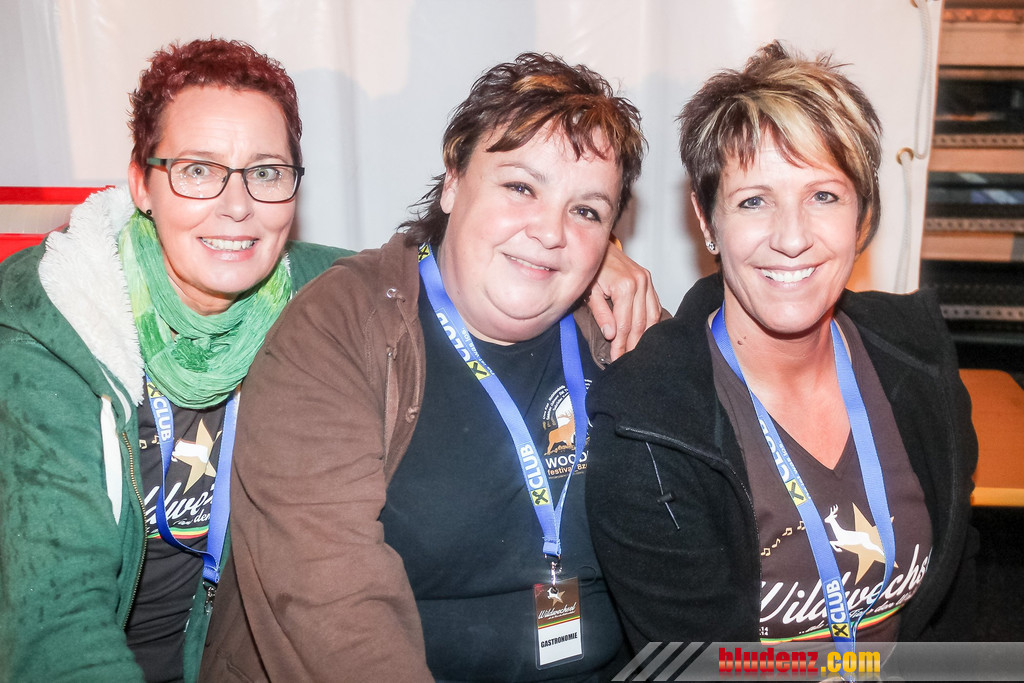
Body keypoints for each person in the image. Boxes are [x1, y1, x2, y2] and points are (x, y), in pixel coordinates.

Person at [0, 40, 657, 683]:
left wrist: (588, 250)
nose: (236, 205)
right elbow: (54, 619)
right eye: (198, 170)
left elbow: (447, 264)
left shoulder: (316, 285)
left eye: (265, 172)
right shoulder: (58, 331)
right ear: (140, 182)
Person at [201, 52, 657, 682]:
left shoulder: (625, 335)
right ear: (453, 183)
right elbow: (329, 603)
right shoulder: (340, 329)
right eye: (521, 187)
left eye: (586, 211)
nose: (551, 231)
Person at [585, 40, 978, 655]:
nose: (792, 238)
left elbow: (958, 584)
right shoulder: (648, 420)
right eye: (753, 201)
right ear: (707, 221)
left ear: (862, 214)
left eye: (823, 196)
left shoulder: (918, 354)